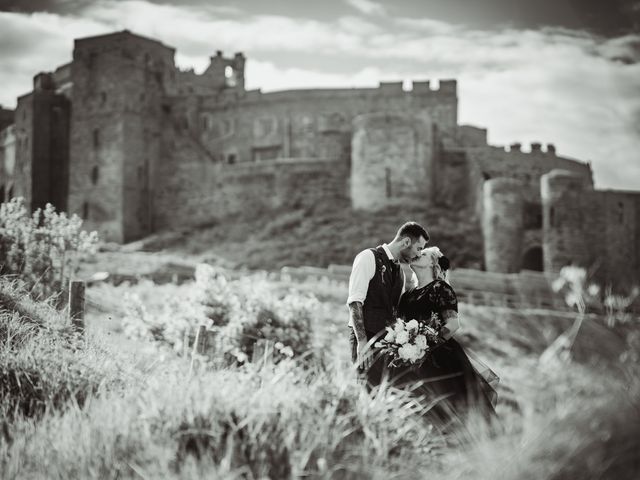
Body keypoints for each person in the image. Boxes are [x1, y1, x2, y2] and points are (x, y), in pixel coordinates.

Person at [398, 246, 499, 423]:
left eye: (422, 254)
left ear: (432, 263)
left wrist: (425, 346)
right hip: (411, 357)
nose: (416, 255)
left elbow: (452, 324)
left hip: (440, 357)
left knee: (451, 403)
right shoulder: (408, 295)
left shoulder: (440, 288)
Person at [347, 222, 429, 391]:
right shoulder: (368, 257)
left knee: (387, 395)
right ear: (406, 242)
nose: (418, 254)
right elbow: (355, 302)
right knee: (367, 391)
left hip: (388, 343)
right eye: (419, 248)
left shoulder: (400, 272)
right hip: (366, 338)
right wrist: (362, 342)